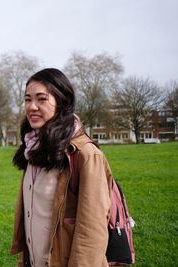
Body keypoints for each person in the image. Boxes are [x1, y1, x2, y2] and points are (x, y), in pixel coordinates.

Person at [10, 68, 112, 267]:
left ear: (62, 101)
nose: (32, 107)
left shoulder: (85, 154)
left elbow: (92, 230)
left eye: (41, 99)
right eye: (27, 99)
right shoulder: (32, 148)